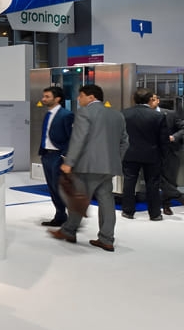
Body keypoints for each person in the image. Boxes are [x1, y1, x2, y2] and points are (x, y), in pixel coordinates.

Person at [53, 84, 128, 252]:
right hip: (108, 167)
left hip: (87, 166)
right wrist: (115, 160)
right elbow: (125, 142)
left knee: (78, 198)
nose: (78, 99)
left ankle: (69, 231)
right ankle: (106, 239)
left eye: (81, 96)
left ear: (91, 97)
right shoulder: (117, 115)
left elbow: (79, 139)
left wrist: (69, 162)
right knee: (107, 202)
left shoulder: (84, 113)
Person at [120, 87, 168, 221]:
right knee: (153, 184)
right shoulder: (158, 116)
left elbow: (119, 135)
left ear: (134, 99)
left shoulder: (124, 114)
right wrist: (163, 155)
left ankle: (128, 211)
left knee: (129, 182)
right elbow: (163, 139)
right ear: (149, 99)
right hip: (152, 155)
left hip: (130, 154)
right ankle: (155, 214)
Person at [38, 86, 74, 227]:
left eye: (47, 96)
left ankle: (73, 218)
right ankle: (60, 216)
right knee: (52, 188)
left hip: (58, 155)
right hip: (46, 154)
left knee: (60, 188)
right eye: (44, 96)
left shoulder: (66, 115)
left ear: (57, 98)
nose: (44, 99)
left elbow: (72, 138)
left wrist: (66, 156)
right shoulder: (48, 114)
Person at [150, 94, 184, 215]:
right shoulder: (146, 115)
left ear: (158, 101)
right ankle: (177, 197)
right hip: (152, 151)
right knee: (156, 179)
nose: (151, 102)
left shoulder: (170, 114)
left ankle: (166, 205)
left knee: (170, 178)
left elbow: (182, 128)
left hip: (170, 150)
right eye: (149, 100)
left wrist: (174, 137)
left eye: (153, 99)